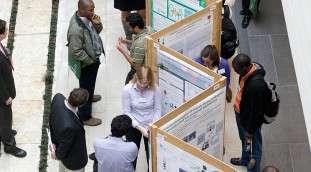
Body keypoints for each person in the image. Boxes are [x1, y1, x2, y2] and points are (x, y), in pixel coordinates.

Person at [67, 0, 105, 126]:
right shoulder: (76, 29)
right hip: (87, 63)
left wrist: (97, 25)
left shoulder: (86, 18)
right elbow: (75, 51)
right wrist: (90, 61)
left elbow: (93, 34)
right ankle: (85, 116)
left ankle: (89, 95)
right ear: (81, 9)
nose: (93, 12)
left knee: (90, 83)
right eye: (90, 10)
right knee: (85, 85)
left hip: (93, 59)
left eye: (93, 8)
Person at [230, 54, 267, 172]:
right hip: (241, 114)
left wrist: (250, 131)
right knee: (244, 140)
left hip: (250, 122)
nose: (235, 71)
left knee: (254, 149)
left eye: (236, 69)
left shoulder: (256, 85)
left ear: (244, 68)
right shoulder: (245, 73)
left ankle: (253, 170)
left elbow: (256, 111)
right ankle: (245, 160)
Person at [122, 66, 161, 169]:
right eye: (140, 82)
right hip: (133, 125)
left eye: (146, 83)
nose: (143, 86)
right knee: (131, 154)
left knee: (151, 154)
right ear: (136, 77)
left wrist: (152, 126)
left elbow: (157, 110)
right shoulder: (127, 89)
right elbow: (127, 112)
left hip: (150, 125)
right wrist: (140, 127)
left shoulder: (155, 89)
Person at [0, 19, 27, 158]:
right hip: (2, 95)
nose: (7, 31)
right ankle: (9, 145)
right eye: (6, 29)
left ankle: (5, 132)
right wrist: (5, 97)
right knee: (5, 117)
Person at [49, 88, 89, 172]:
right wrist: (57, 155)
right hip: (73, 161)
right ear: (81, 105)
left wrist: (53, 141)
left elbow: (51, 118)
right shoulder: (70, 127)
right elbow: (64, 146)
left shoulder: (58, 97)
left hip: (64, 156)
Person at [117, 13, 155, 85]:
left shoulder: (139, 45)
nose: (128, 29)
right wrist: (126, 41)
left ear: (136, 28)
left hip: (138, 73)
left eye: (129, 27)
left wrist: (122, 50)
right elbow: (140, 41)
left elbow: (136, 66)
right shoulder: (149, 29)